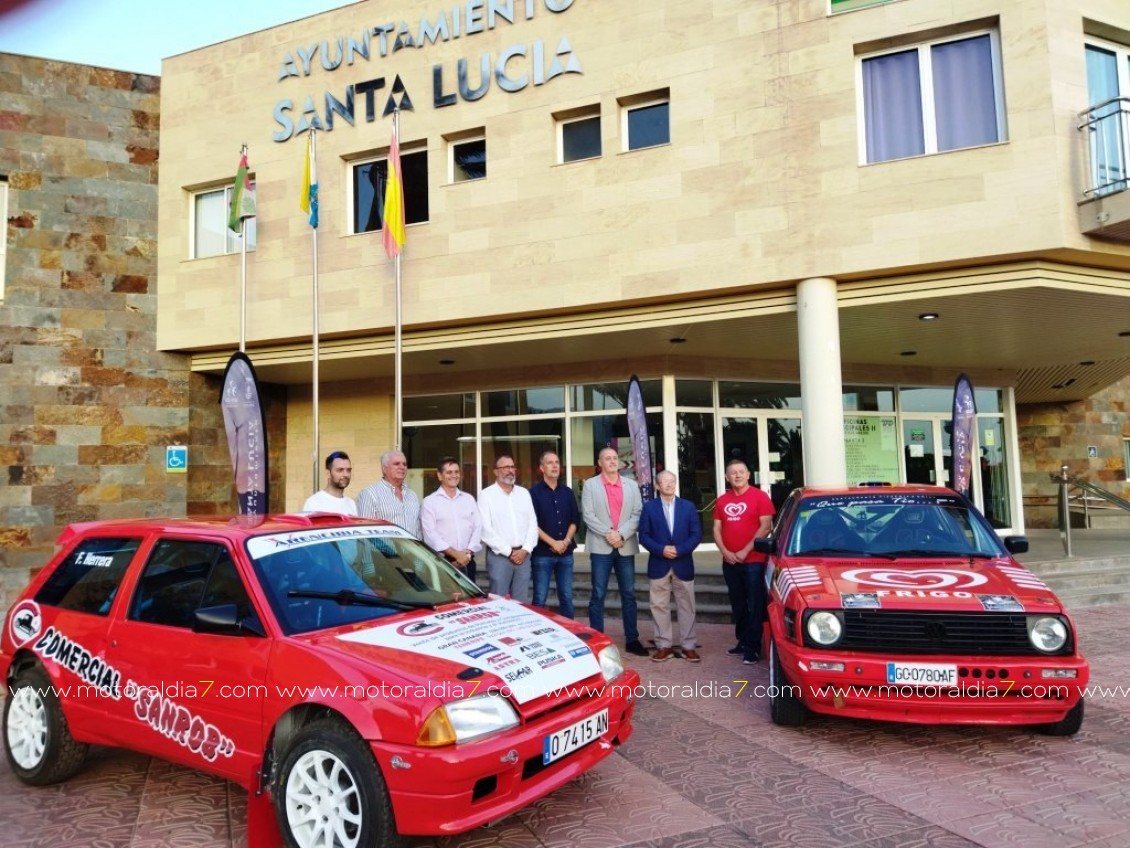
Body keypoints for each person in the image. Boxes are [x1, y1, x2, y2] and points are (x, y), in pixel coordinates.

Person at [582, 446, 649, 657]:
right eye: (607, 458)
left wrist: (621, 534)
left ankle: (632, 639)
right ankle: (597, 641)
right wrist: (610, 534)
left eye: (614, 458)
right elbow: (588, 515)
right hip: (601, 547)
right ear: (599, 463)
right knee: (598, 594)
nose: (612, 461)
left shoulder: (631, 485)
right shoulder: (590, 485)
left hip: (625, 546)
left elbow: (638, 513)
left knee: (628, 594)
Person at [712, 457, 775, 665]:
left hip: (754, 561)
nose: (737, 475)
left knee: (755, 604)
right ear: (727, 477)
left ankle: (753, 647)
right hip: (729, 561)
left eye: (741, 471)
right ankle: (742, 640)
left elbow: (765, 526)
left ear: (748, 474)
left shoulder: (760, 497)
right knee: (737, 603)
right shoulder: (722, 500)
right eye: (733, 472)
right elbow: (716, 528)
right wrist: (725, 551)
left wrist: (744, 551)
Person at [638, 470, 703, 662]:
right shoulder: (649, 507)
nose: (669, 484)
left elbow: (696, 534)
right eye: (665, 481)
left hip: (683, 563)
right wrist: (661, 549)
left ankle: (688, 646)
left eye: (672, 481)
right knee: (659, 606)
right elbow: (644, 536)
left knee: (687, 606)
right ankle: (663, 645)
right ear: (657, 486)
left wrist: (679, 549)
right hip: (659, 563)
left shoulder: (688, 507)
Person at [477, 454, 538, 602]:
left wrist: (525, 550)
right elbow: (485, 529)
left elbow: (533, 524)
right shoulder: (486, 495)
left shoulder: (524, 493)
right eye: (505, 467)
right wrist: (509, 552)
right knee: (497, 602)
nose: (510, 471)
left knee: (521, 602)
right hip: (500, 557)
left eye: (512, 467)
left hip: (524, 557)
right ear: (496, 471)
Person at [529, 450, 578, 619]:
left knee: (567, 597)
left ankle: (571, 635)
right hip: (542, 554)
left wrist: (565, 541)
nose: (555, 465)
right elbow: (532, 525)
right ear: (542, 468)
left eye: (557, 462)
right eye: (550, 462)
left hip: (566, 553)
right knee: (539, 599)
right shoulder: (533, 493)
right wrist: (553, 543)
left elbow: (575, 520)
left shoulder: (568, 492)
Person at [421, 457, 482, 585]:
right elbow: (431, 536)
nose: (454, 475)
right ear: (439, 475)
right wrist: (456, 555)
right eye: (449, 472)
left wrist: (467, 554)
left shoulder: (468, 499)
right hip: (442, 563)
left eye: (456, 472)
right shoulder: (430, 502)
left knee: (470, 603)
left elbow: (477, 527)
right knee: (446, 603)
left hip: (468, 560)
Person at [357, 449, 422, 537]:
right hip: (381, 551)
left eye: (404, 464)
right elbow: (365, 532)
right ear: (384, 468)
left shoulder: (413, 495)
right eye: (396, 464)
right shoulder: (369, 494)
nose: (402, 467)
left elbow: (418, 531)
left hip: (412, 550)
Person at [302, 450, 358, 515]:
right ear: (328, 473)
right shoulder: (314, 503)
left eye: (348, 470)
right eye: (340, 470)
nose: (345, 474)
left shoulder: (351, 504)